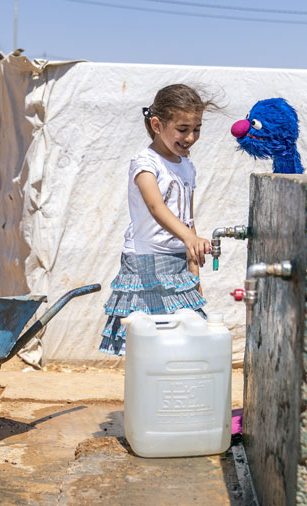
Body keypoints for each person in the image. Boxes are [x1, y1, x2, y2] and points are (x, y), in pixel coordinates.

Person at [100, 84, 215, 356]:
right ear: (156, 124)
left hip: (177, 264)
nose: (190, 137)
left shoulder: (187, 166)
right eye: (183, 128)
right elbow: (156, 206)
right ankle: (148, 395)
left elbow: (188, 217)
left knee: (181, 341)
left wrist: (193, 264)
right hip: (146, 262)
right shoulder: (145, 163)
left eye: (196, 128)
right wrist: (189, 238)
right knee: (148, 343)